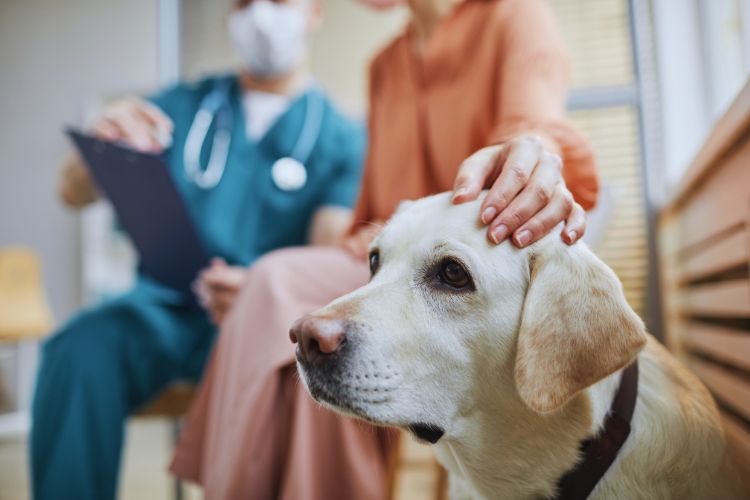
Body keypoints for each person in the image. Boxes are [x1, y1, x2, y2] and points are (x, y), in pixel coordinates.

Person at [169, 0, 599, 498]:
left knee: (279, 287)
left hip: (470, 272)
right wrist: (286, 283)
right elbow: (372, 219)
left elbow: (535, 124)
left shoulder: (514, 15)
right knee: (276, 291)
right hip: (385, 265)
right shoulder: (384, 66)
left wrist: (532, 152)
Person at [30, 1, 365, 499]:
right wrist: (105, 139)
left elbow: (323, 254)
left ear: (315, 11)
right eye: (244, 3)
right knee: (77, 348)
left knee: (295, 386)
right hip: (162, 313)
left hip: (264, 325)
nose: (259, 16)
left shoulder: (341, 138)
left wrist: (258, 295)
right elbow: (69, 191)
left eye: (277, 2)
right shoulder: (182, 107)